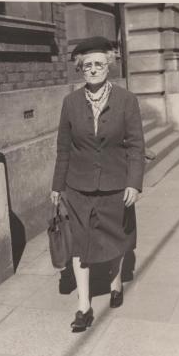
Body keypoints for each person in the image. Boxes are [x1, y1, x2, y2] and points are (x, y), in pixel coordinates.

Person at [51, 36, 145, 332]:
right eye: (87, 65)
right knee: (81, 245)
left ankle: (115, 280)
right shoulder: (70, 103)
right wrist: (57, 187)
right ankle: (84, 306)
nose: (93, 69)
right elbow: (63, 148)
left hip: (116, 185)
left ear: (109, 66)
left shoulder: (127, 100)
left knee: (115, 240)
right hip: (78, 187)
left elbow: (136, 146)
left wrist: (134, 182)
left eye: (99, 64)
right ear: (80, 69)